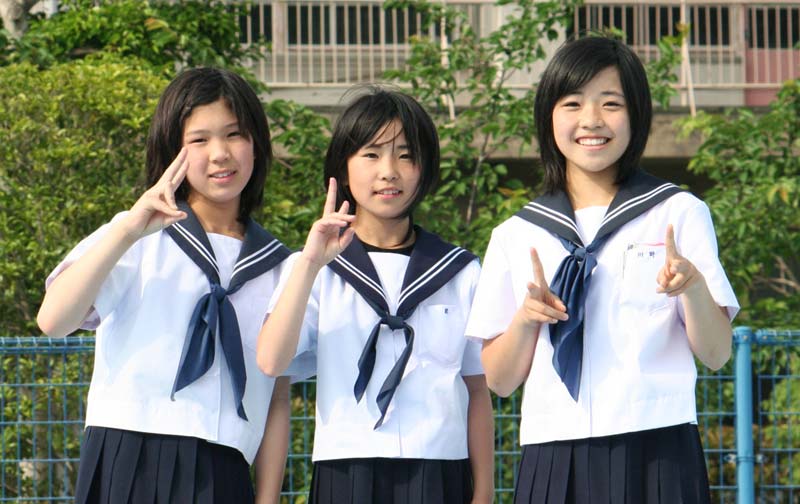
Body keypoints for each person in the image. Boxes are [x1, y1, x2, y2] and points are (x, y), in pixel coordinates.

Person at [465, 36, 739, 504]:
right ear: (548, 117)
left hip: (658, 444)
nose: (591, 120)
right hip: (554, 450)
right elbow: (500, 381)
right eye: (572, 104)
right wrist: (526, 319)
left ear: (637, 115)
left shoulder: (678, 213)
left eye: (611, 103)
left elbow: (716, 354)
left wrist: (693, 288)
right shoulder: (516, 234)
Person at [37, 67, 294, 504]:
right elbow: (54, 321)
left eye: (234, 134)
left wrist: (267, 499)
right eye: (199, 140)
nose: (220, 154)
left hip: (224, 468)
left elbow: (277, 398)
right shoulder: (138, 237)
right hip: (128, 454)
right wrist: (126, 231)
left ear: (257, 144)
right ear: (172, 149)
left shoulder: (278, 266)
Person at [257, 87, 494, 504]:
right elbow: (272, 362)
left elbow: (477, 389)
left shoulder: (459, 271)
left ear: (425, 169)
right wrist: (310, 263)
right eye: (371, 154)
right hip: (346, 471)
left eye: (405, 155)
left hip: (440, 469)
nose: (389, 171)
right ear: (343, 169)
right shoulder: (314, 269)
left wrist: (485, 492)